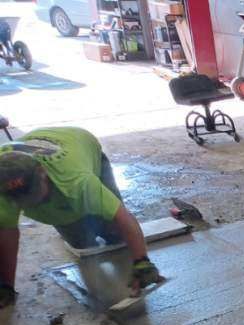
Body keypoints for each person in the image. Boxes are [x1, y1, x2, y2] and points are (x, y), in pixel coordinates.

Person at [0, 127, 161, 308]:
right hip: (45, 159)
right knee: (82, 243)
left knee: (115, 233)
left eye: (33, 193)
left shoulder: (76, 179)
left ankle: (107, 231)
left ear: (42, 172)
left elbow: (122, 216)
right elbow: (7, 234)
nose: (31, 203)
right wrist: (7, 286)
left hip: (80, 142)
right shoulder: (3, 185)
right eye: (22, 200)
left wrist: (142, 262)